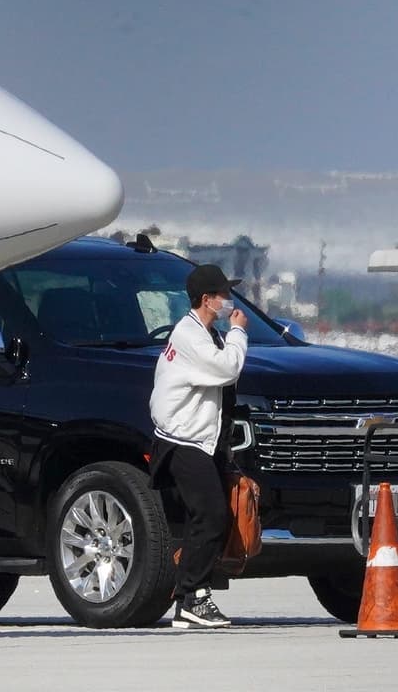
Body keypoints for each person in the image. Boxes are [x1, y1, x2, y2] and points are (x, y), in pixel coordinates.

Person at [149, 263, 248, 629]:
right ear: (207, 300)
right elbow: (227, 370)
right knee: (211, 515)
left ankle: (190, 597)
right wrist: (239, 332)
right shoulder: (190, 336)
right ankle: (194, 597)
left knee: (201, 517)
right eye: (224, 295)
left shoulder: (205, 334)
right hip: (181, 439)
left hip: (197, 439)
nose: (229, 300)